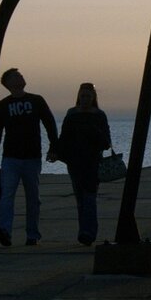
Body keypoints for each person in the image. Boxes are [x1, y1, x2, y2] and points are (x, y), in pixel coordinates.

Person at [0, 68, 58, 246]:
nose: (21, 77)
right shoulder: (3, 105)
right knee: (7, 195)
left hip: (32, 157)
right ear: (8, 83)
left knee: (33, 197)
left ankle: (32, 234)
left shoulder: (36, 100)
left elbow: (50, 123)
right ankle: (5, 231)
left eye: (21, 75)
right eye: (16, 76)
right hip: (10, 157)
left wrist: (54, 147)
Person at [56, 82, 112, 245]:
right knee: (80, 198)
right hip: (74, 162)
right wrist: (56, 152)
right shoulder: (72, 114)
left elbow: (106, 142)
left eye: (88, 96)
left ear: (93, 97)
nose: (85, 99)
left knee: (89, 197)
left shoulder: (99, 115)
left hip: (93, 162)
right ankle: (84, 231)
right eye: (82, 96)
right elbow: (64, 136)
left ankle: (88, 232)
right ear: (78, 97)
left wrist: (95, 133)